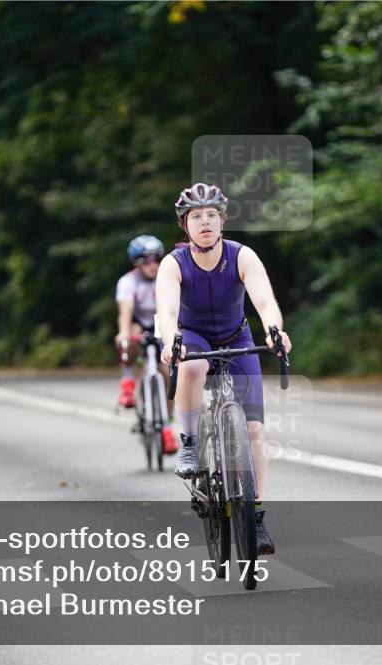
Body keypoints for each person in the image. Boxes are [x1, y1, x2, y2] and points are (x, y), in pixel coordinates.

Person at [156, 183, 292, 556]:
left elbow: (264, 300)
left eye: (211, 215)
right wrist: (171, 341)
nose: (205, 222)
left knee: (254, 431)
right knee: (194, 366)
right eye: (196, 216)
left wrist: (274, 330)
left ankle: (257, 515)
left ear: (222, 221)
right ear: (185, 225)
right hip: (194, 337)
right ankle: (189, 443)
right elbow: (167, 312)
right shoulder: (174, 263)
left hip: (237, 336)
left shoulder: (242, 256)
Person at [115, 235, 177, 453]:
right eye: (145, 260)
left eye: (156, 259)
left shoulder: (167, 277)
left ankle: (168, 426)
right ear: (135, 262)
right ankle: (129, 381)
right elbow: (126, 312)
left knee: (167, 371)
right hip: (139, 323)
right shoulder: (128, 282)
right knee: (129, 334)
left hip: (162, 323)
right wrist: (124, 334)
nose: (152, 264)